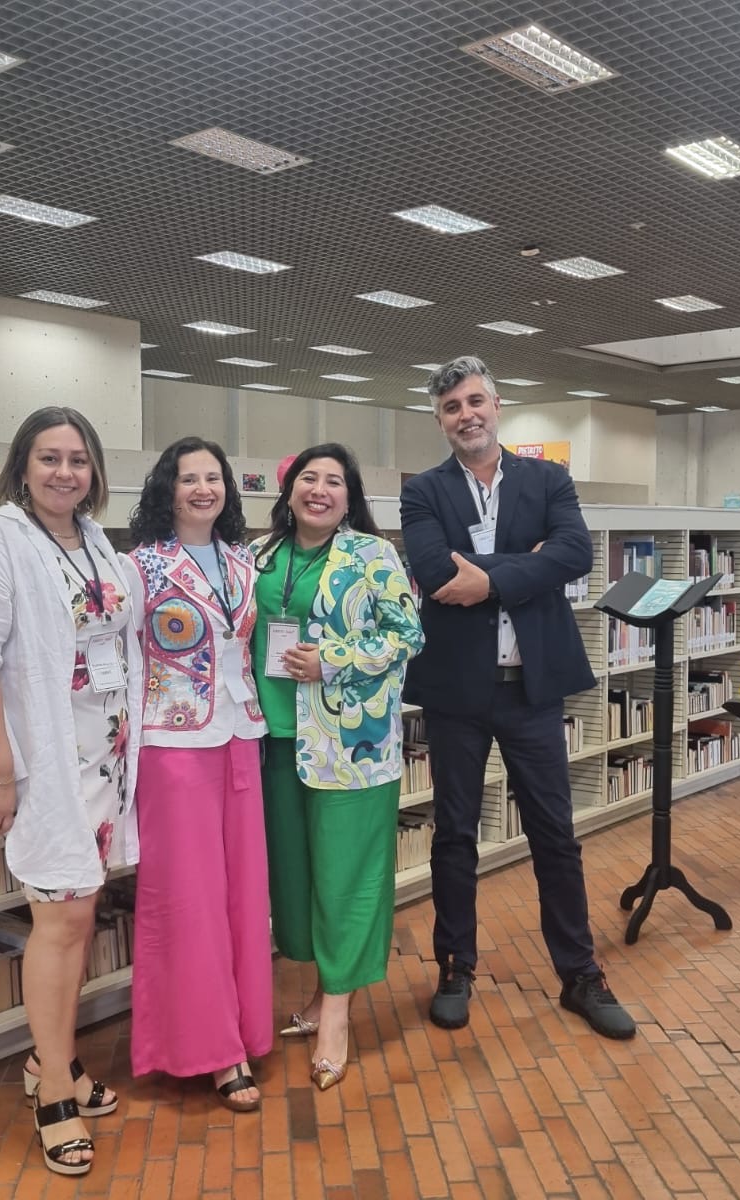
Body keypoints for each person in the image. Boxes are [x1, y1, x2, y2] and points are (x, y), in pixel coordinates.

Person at [400, 356, 637, 1041]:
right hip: (455, 692)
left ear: (497, 404)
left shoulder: (548, 478)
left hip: (532, 690)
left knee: (555, 835)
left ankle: (580, 974)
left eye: (475, 400)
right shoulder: (424, 493)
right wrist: (525, 566)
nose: (466, 414)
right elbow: (431, 570)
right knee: (455, 835)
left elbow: (574, 554)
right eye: (451, 407)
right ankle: (455, 966)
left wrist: (488, 579)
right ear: (440, 419)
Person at [0, 405, 142, 1177]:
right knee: (58, 922)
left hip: (103, 762)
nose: (66, 472)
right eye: (50, 458)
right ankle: (52, 1088)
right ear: (20, 466)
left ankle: (46, 1058)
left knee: (80, 916)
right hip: (45, 765)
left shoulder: (95, 541)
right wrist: (0, 772)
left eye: (79, 460)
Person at [249, 444, 423, 1090]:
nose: (319, 490)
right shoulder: (259, 555)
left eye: (334, 482)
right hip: (273, 739)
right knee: (296, 881)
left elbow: (409, 634)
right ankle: (322, 992)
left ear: (350, 498)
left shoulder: (372, 556)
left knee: (347, 881)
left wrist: (335, 658)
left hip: (350, 745)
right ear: (288, 488)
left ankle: (337, 1018)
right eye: (308, 479)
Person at [125, 436, 272, 1112]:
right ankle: (211, 1052)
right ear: (168, 488)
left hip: (241, 736)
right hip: (173, 743)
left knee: (242, 895)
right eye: (190, 479)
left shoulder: (246, 561)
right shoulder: (139, 567)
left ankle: (243, 1031)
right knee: (188, 898)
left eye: (214, 477)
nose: (204, 489)